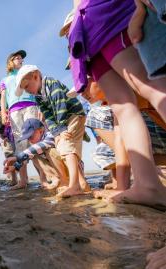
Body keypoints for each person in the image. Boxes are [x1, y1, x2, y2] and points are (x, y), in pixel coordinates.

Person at [69, 0, 166, 208]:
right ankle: (147, 185)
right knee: (147, 90)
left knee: (130, 104)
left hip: (95, 24)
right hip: (100, 21)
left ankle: (148, 184)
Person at [16, 65, 89, 198]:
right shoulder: (38, 97)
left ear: (35, 76)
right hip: (62, 122)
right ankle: (75, 183)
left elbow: (59, 105)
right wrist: (56, 132)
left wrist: (60, 128)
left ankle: (75, 185)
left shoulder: (50, 83)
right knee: (61, 145)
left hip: (73, 114)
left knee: (67, 144)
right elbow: (48, 115)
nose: (27, 91)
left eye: (26, 86)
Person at [0, 50, 42, 191]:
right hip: (13, 110)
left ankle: (44, 178)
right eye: (16, 58)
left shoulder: (26, 73)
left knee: (34, 141)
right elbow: (3, 97)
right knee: (19, 145)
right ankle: (23, 181)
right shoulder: (4, 80)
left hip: (30, 105)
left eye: (21, 58)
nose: (20, 60)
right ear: (10, 62)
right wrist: (3, 112)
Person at [3, 119, 68, 190]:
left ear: (41, 130)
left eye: (31, 137)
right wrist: (14, 167)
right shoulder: (38, 143)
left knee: (49, 151)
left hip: (68, 168)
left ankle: (62, 180)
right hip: (59, 170)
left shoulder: (50, 135)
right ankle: (55, 178)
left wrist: (16, 157)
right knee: (34, 156)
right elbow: (27, 156)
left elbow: (43, 145)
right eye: (27, 138)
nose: (29, 140)